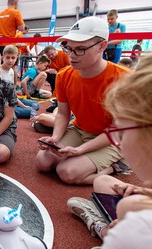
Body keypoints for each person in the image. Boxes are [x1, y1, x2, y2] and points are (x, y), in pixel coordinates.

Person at [37, 50, 152, 249]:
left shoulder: (143, 230)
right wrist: (149, 193)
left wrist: (126, 241)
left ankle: (104, 232)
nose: (119, 141)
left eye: (121, 133)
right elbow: (63, 113)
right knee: (123, 201)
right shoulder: (67, 75)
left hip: (137, 245)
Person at [36, 16, 131, 185]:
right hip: (80, 129)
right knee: (43, 162)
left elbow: (115, 130)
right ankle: (92, 161)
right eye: (68, 48)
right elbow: (64, 114)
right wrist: (55, 137)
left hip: (111, 138)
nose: (72, 55)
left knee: (66, 172)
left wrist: (80, 150)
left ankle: (115, 166)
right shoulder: (64, 75)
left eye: (80, 49)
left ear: (102, 46)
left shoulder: (123, 79)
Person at [0, 44, 40, 118]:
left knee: (36, 105)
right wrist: (23, 106)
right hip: (4, 103)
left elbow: (12, 93)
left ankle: (17, 109)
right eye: (7, 57)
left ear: (16, 58)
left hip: (12, 99)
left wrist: (22, 105)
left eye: (13, 58)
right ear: (3, 58)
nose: (10, 60)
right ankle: (12, 112)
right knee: (31, 111)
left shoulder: (11, 71)